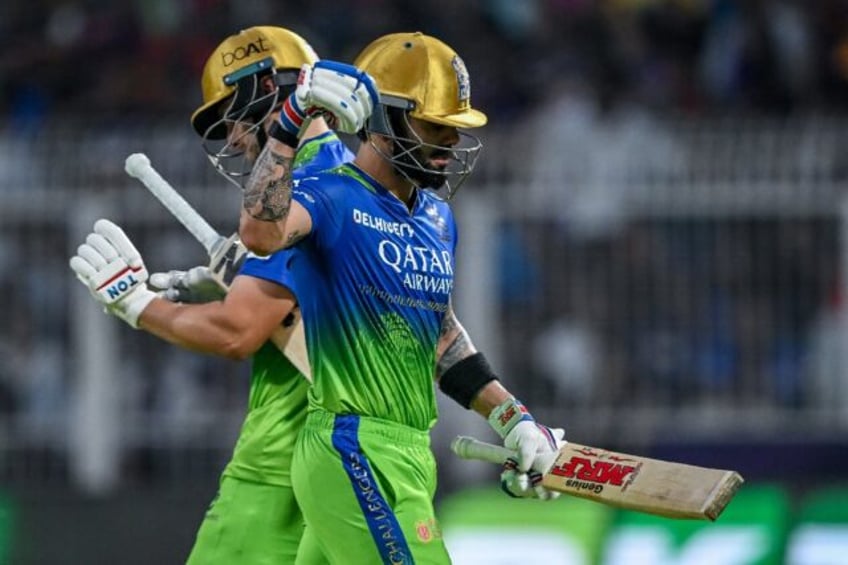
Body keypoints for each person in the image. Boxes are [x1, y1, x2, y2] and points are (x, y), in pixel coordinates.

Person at [237, 31, 567, 564]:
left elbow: (438, 334)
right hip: (353, 448)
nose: (451, 144)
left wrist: (514, 419)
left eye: (454, 129)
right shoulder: (332, 195)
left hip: (410, 453)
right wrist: (292, 120)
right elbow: (260, 233)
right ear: (385, 122)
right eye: (436, 127)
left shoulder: (438, 219)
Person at [68, 26, 376, 564]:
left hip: (281, 470)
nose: (233, 138)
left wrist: (136, 303)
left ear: (271, 91)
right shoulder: (365, 186)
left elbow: (239, 333)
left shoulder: (302, 193)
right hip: (358, 468)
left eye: (234, 115)